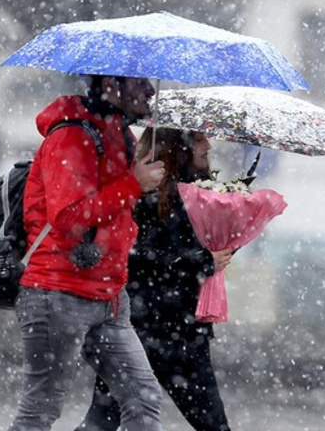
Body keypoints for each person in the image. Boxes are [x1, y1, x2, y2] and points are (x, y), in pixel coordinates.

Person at [8, 76, 166, 431]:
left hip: (108, 296)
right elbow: (68, 217)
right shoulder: (72, 135)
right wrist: (133, 185)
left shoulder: (120, 136)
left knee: (144, 400)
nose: (151, 91)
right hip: (57, 292)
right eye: (140, 83)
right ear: (112, 84)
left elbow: (117, 212)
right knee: (39, 411)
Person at [76, 128, 235, 431]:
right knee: (102, 421)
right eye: (199, 138)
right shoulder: (144, 195)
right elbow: (137, 257)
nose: (208, 144)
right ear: (179, 146)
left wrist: (225, 245)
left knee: (213, 425)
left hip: (185, 332)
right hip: (144, 328)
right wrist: (201, 261)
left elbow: (190, 254)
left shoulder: (203, 194)